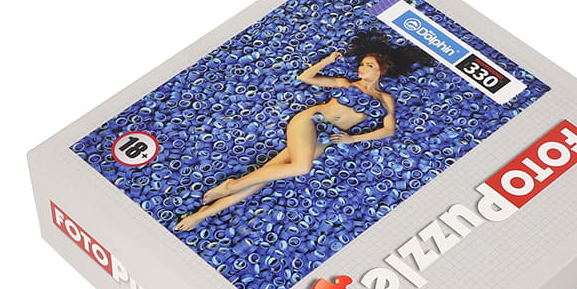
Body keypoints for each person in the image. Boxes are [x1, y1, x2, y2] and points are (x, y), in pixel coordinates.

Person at [174, 29, 431, 230]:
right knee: (301, 167)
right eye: (362, 64)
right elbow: (305, 78)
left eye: (369, 65)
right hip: (309, 122)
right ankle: (230, 186)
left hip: (326, 137)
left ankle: (203, 214)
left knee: (265, 177)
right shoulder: (345, 83)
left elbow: (388, 130)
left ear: (382, 70)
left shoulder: (385, 99)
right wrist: (327, 60)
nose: (362, 68)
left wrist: (353, 139)